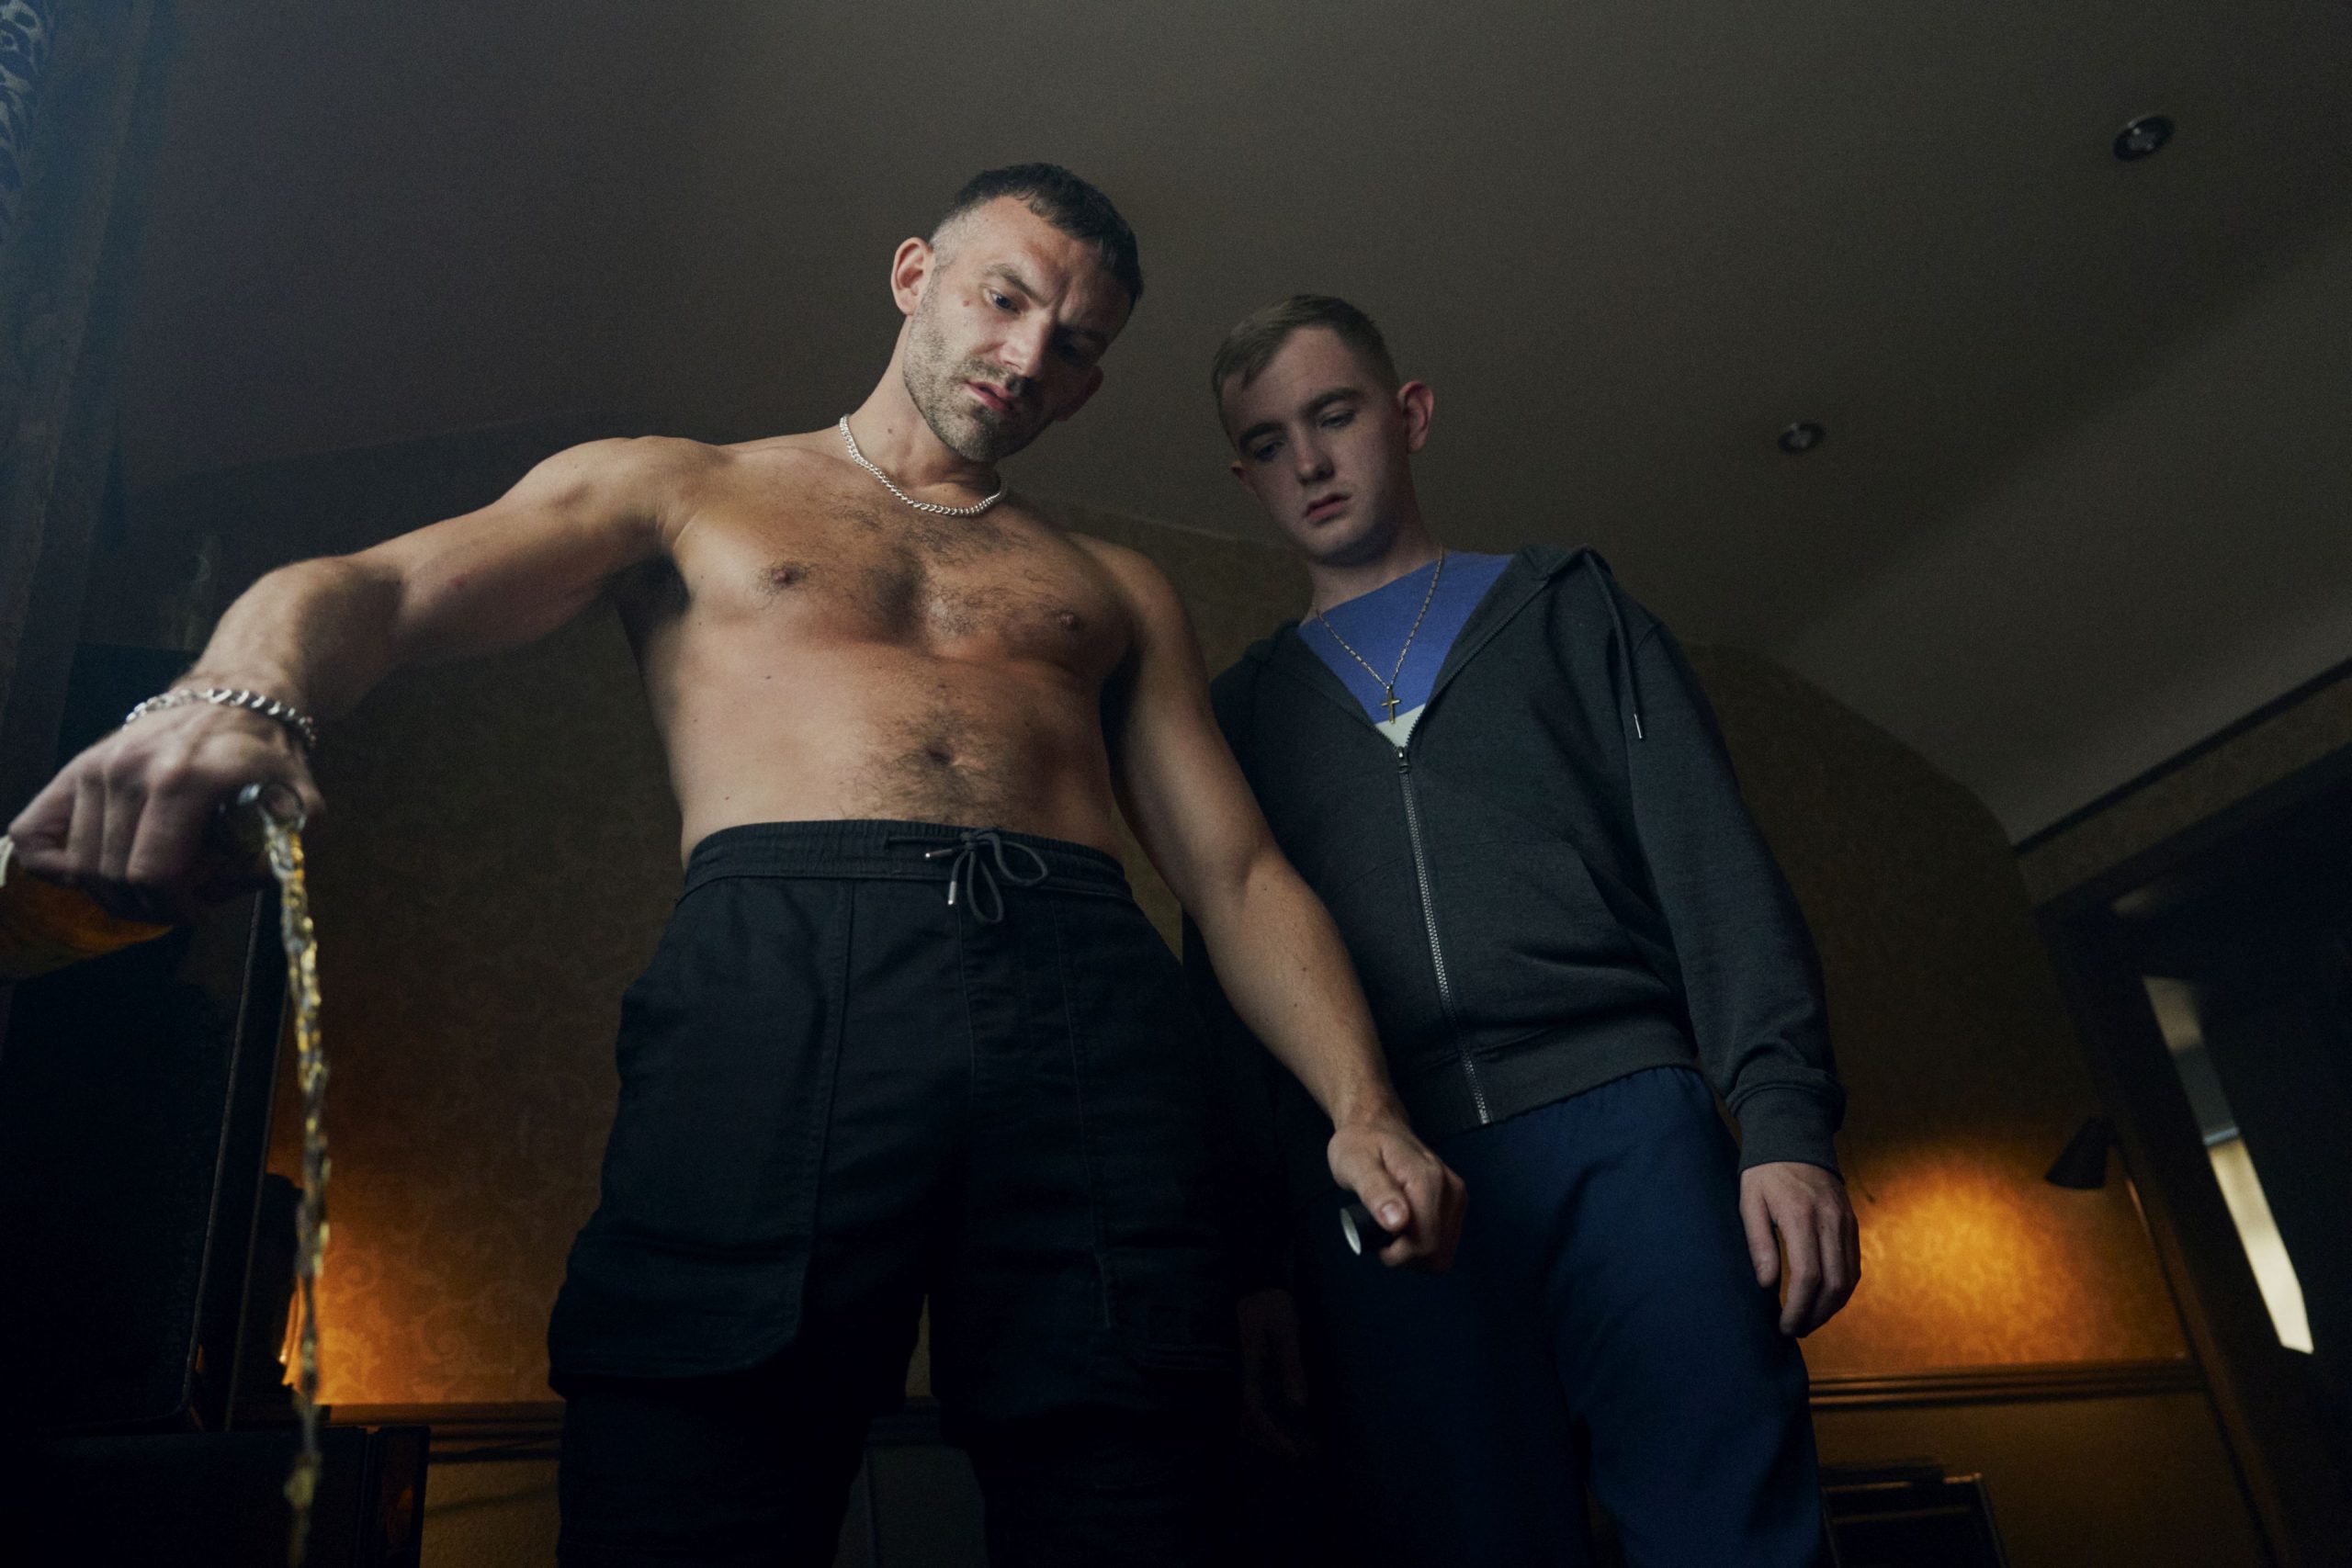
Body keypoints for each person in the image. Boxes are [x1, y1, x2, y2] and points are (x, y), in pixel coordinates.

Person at [7, 172, 1464, 1566]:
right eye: (1005, 298)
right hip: (785, 978)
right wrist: (239, 697)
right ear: (915, 275)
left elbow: (1238, 874)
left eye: (1075, 345)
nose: (1030, 357)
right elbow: (377, 588)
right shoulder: (682, 489)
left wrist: (1365, 1107)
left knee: (1134, 1462)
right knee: (695, 1453)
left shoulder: (1113, 585)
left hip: (1088, 1011)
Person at [1192, 294, 1859, 1566]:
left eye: (1334, 416)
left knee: (1733, 1533)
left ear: (1410, 415)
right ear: (1245, 476)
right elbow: (1227, 999)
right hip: (1392, 1181)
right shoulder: (1241, 717)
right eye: (1270, 443)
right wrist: (1256, 1265)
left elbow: (1716, 872)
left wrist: (1782, 1120)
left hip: (1629, 1126)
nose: (1310, 462)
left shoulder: (1569, 608)